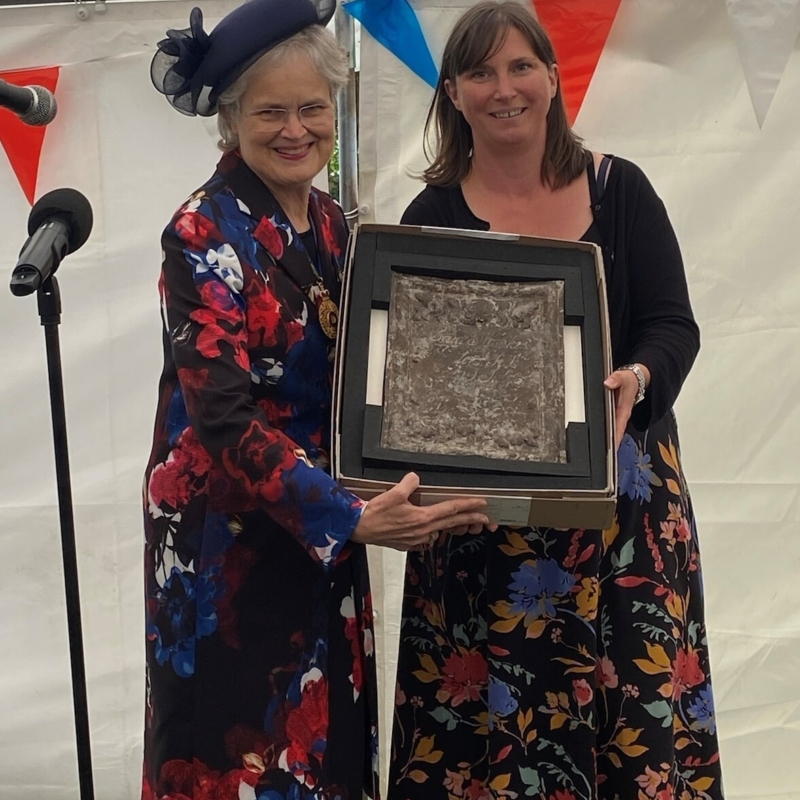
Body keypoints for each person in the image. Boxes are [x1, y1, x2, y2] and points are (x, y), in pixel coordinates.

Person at [144, 1, 490, 798]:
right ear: (231, 121)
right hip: (230, 547)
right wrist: (355, 516)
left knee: (329, 748)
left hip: (323, 528)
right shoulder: (201, 232)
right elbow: (223, 415)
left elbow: (369, 375)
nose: (295, 128)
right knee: (243, 763)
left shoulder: (333, 223)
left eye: (311, 108)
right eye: (271, 111)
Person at [388, 3, 723, 799]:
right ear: (454, 93)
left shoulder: (620, 189)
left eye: (520, 67)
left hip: (625, 515)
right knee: (490, 751)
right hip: (482, 531)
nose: (504, 89)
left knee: (632, 735)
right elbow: (412, 375)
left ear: (552, 77)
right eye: (480, 72)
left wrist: (636, 379)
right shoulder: (429, 219)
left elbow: (673, 325)